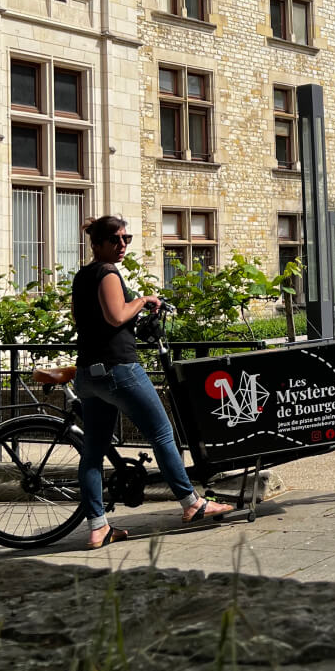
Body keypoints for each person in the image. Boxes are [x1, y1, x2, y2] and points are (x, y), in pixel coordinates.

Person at [71, 214, 232, 548]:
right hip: (119, 369)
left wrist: (134, 312)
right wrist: (144, 300)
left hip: (89, 372)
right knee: (162, 433)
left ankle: (98, 526)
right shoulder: (107, 272)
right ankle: (192, 504)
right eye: (115, 240)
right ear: (97, 244)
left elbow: (92, 320)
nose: (122, 246)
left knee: (93, 452)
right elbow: (115, 315)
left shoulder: (82, 276)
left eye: (126, 239)